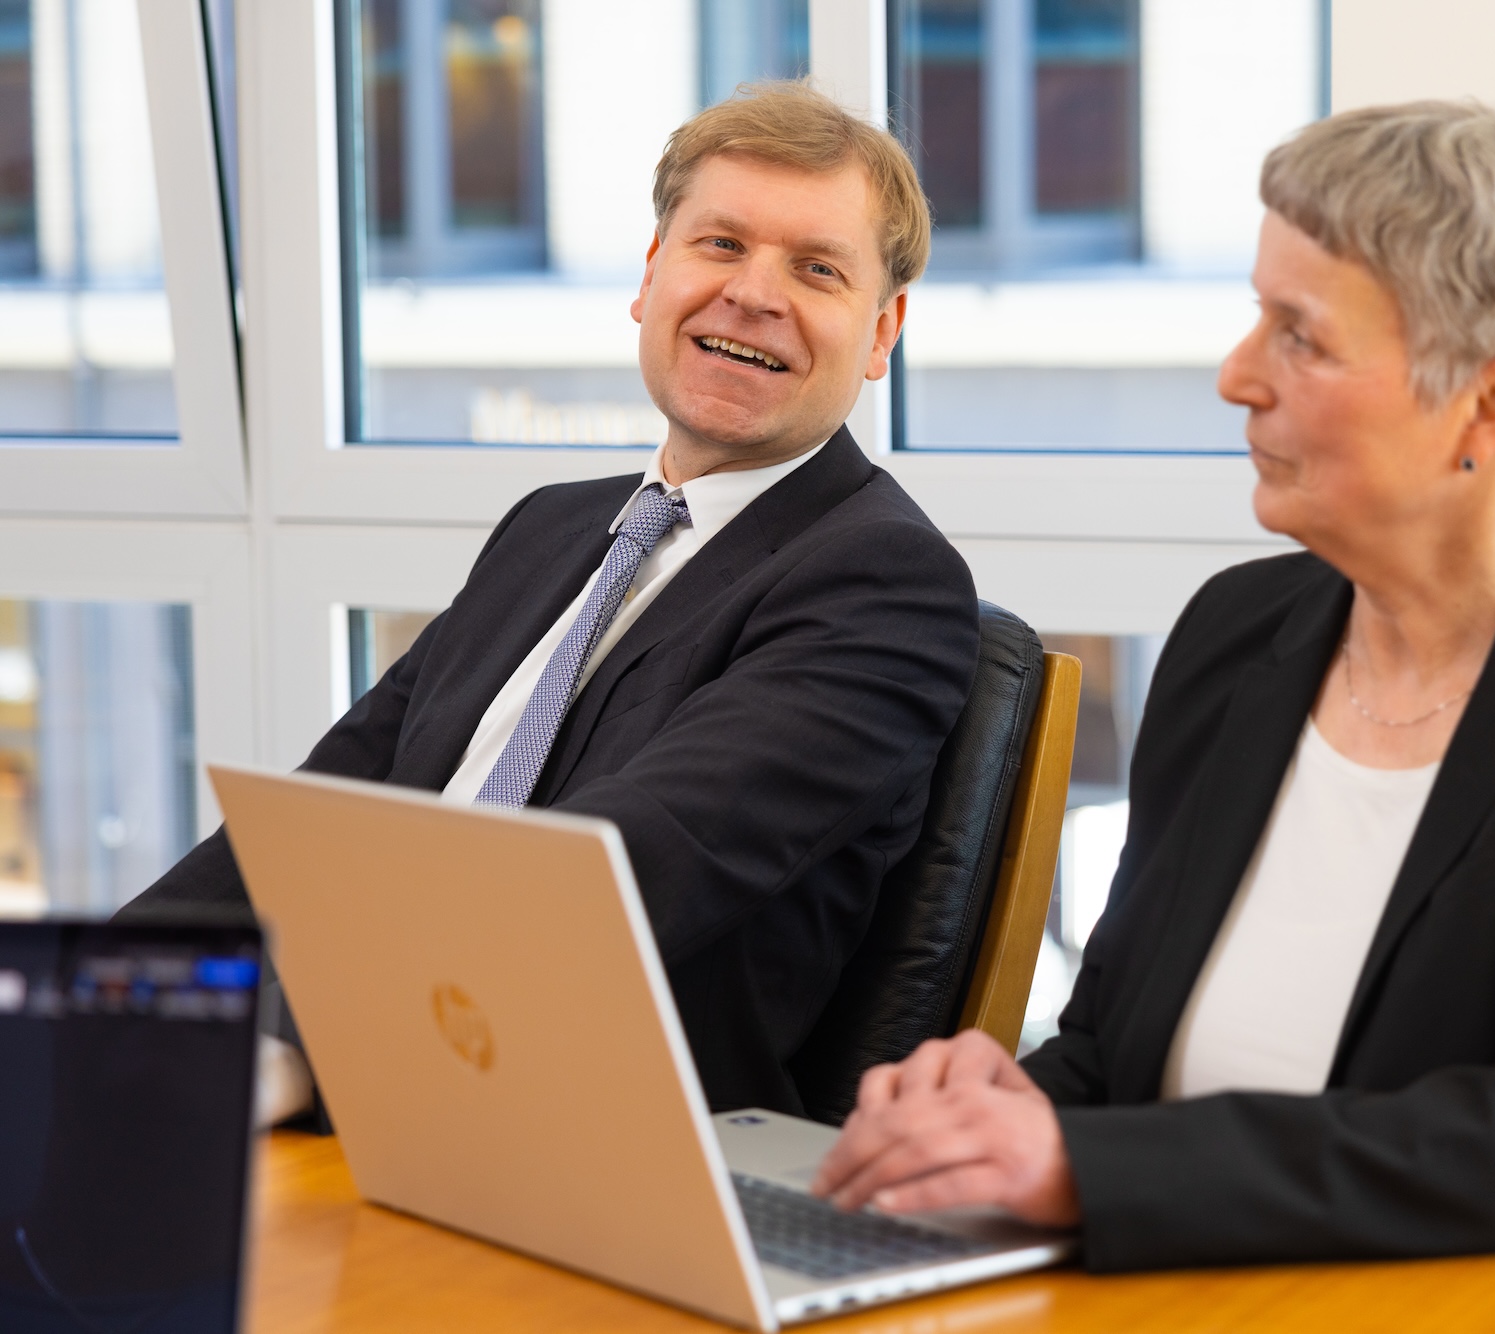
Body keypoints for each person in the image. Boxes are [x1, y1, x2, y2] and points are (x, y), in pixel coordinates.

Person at [812, 101, 1495, 1269]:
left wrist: (1083, 1168)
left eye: (1302, 337)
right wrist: (1001, 1115)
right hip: (1232, 1280)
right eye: (1256, 318)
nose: (1238, 376)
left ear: (1492, 403)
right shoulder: (1235, 637)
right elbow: (1112, 1050)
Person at [120, 83, 981, 1120]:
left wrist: (285, 1052)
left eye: (815, 268)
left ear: (881, 331)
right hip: (365, 1085)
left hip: (584, 1138)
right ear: (649, 276)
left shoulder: (882, 583)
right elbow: (319, 825)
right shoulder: (550, 529)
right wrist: (101, 992)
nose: (752, 294)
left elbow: (595, 879)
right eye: (718, 244)